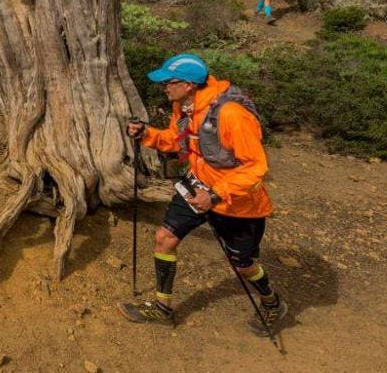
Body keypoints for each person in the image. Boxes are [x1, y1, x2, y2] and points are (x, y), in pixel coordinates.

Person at [119, 53, 287, 335]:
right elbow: (176, 140)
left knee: (243, 265)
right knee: (165, 238)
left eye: (168, 82)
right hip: (196, 186)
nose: (164, 87)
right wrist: (146, 134)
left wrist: (217, 194)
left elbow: (257, 167)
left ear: (188, 85)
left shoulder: (232, 114)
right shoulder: (184, 106)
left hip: (237, 202)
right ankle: (162, 308)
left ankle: (271, 302)